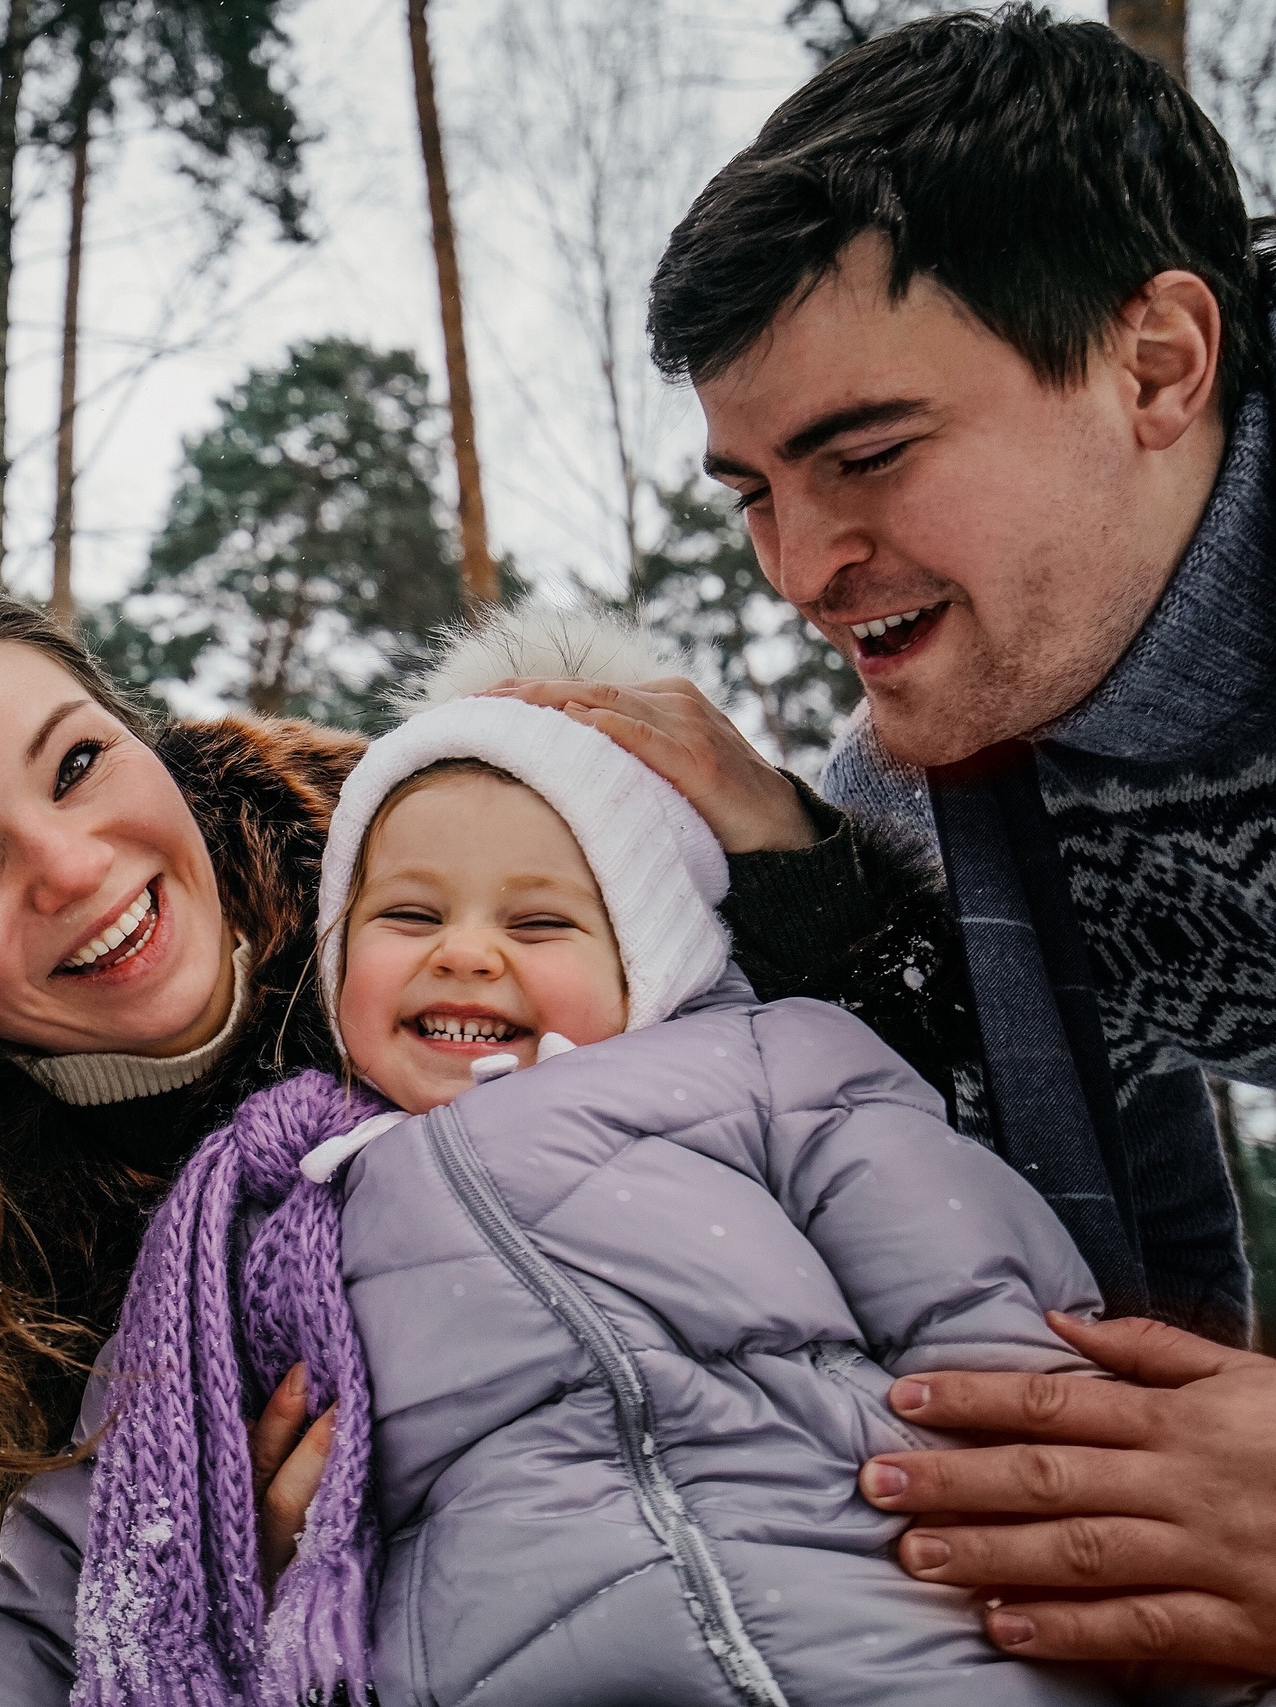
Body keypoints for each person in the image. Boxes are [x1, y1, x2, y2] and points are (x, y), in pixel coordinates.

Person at [0, 566, 951, 1640]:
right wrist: (223, 1609)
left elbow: (943, 1144)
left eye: (80, 762)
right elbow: (46, 1646)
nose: (79, 868)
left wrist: (796, 874)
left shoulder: (474, 860)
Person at [0, 614, 1234, 1707]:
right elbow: (74, 1569)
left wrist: (1151, 1621)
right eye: (410, 914)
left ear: (645, 955)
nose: (467, 952)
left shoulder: (782, 1071)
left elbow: (982, 1314)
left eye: (539, 919)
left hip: (895, 1644)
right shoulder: (263, 1217)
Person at [494, 6, 1276, 1677]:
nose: (800, 564)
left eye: (867, 454)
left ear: (1157, 364)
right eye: (755, 489)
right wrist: (803, 885)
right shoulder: (943, 796)